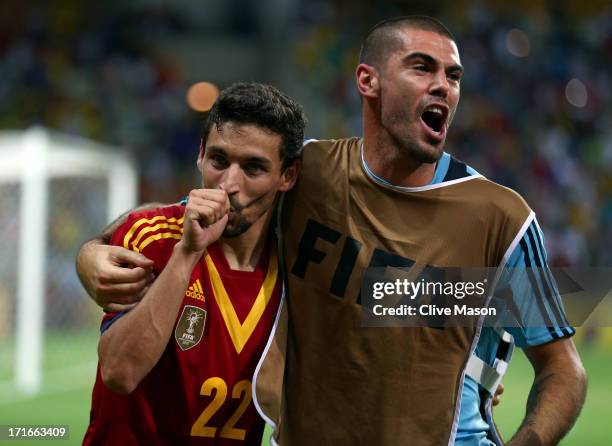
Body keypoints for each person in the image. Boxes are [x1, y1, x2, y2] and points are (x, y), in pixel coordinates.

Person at [77, 16, 586, 446]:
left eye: (453, 75)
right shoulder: (309, 173)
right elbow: (196, 209)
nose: (442, 85)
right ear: (368, 81)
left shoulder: (499, 217)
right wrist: (92, 251)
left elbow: (562, 368)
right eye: (421, 67)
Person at [81, 82, 305, 445]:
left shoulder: (296, 269)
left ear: (287, 176)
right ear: (200, 154)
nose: (229, 184)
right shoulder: (153, 236)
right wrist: (188, 253)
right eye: (219, 160)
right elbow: (120, 372)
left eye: (253, 168)